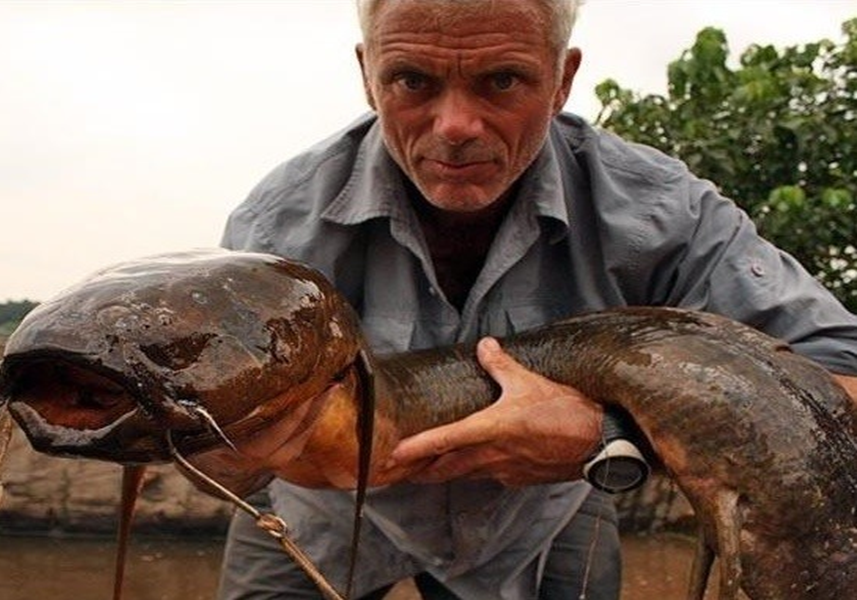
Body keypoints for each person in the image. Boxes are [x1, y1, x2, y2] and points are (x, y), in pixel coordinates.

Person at [217, 0, 857, 598]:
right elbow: (225, 433)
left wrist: (604, 435)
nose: (456, 126)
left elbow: (842, 374)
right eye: (412, 80)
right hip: (323, 511)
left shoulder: (661, 212)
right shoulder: (278, 230)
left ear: (562, 79)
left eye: (502, 81)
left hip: (551, 512)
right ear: (367, 73)